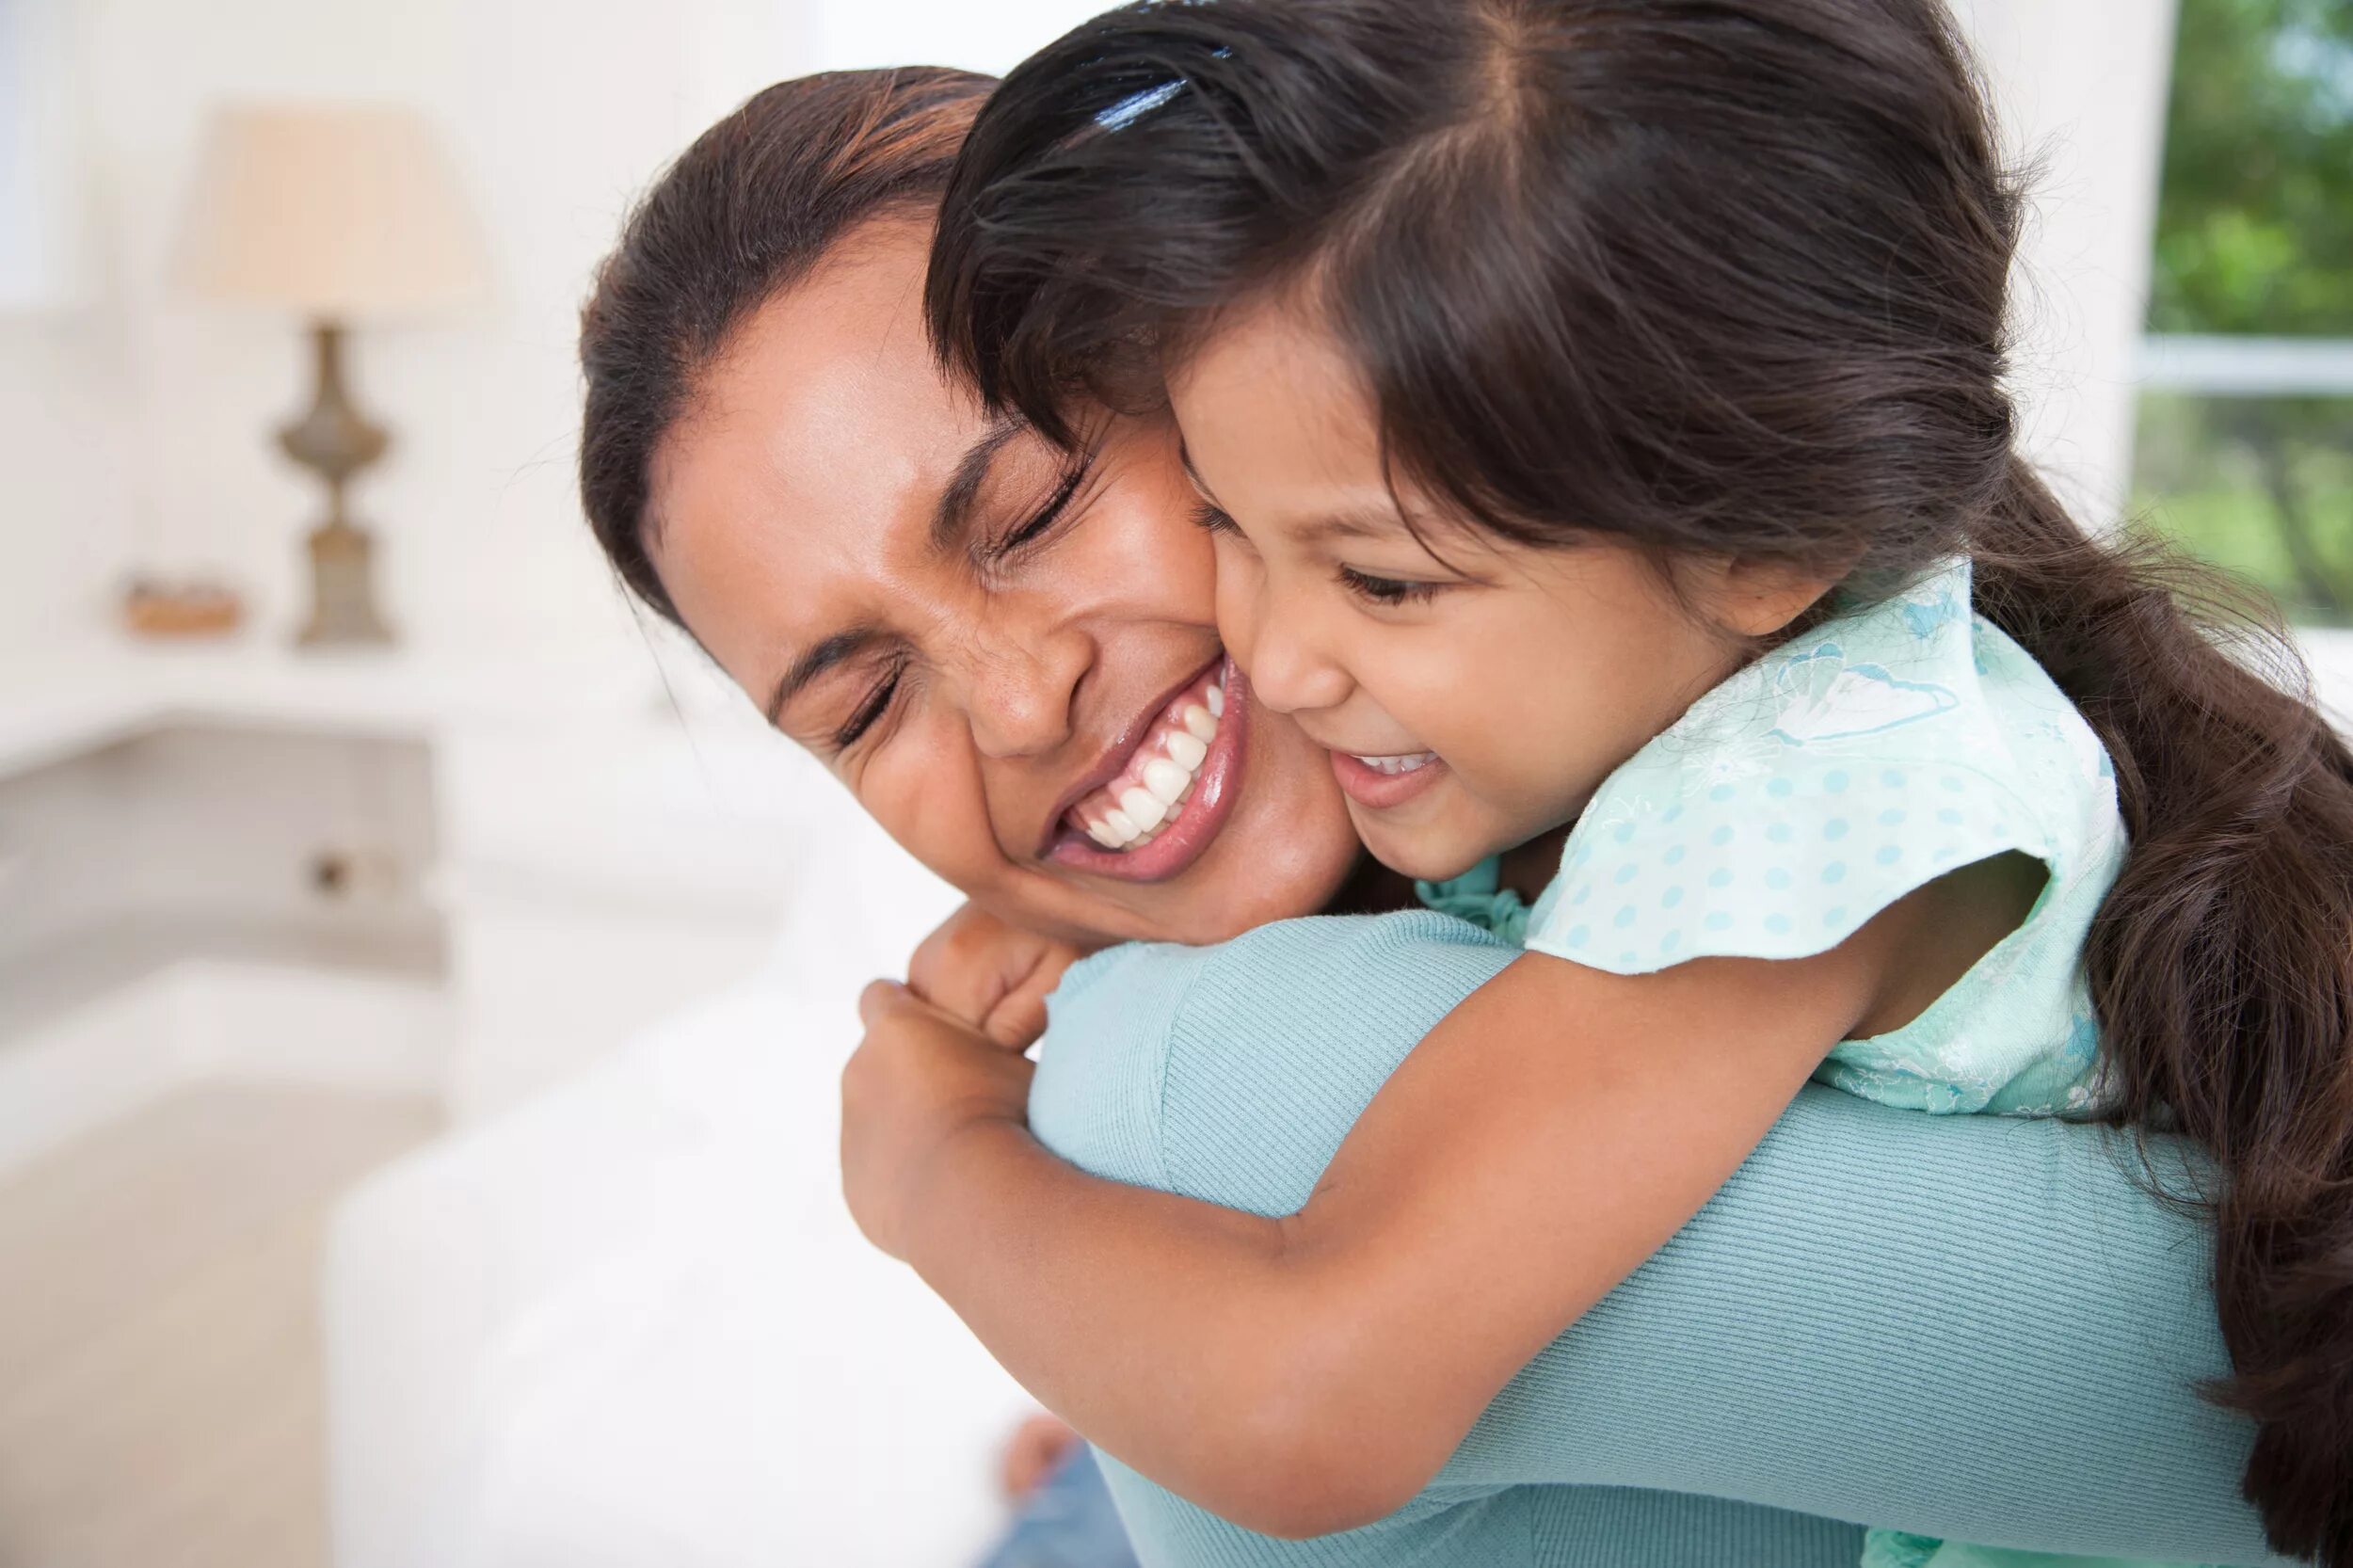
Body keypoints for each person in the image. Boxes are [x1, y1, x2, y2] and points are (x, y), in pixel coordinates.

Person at [578, 62, 2282, 1568]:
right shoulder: (1747, 732)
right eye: (865, 704)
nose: (1021, 707)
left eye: (1032, 508)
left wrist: (939, 1166)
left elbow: (1299, 1395)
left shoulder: (1195, 1079)